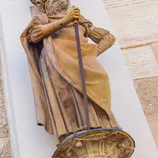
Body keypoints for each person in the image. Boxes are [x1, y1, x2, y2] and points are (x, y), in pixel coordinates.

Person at [21, 0, 119, 143]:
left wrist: (90, 56)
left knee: (98, 83)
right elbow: (35, 35)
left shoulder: (79, 18)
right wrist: (65, 20)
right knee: (69, 97)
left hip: (82, 64)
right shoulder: (42, 20)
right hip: (56, 65)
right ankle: (76, 129)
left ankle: (99, 124)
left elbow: (108, 38)